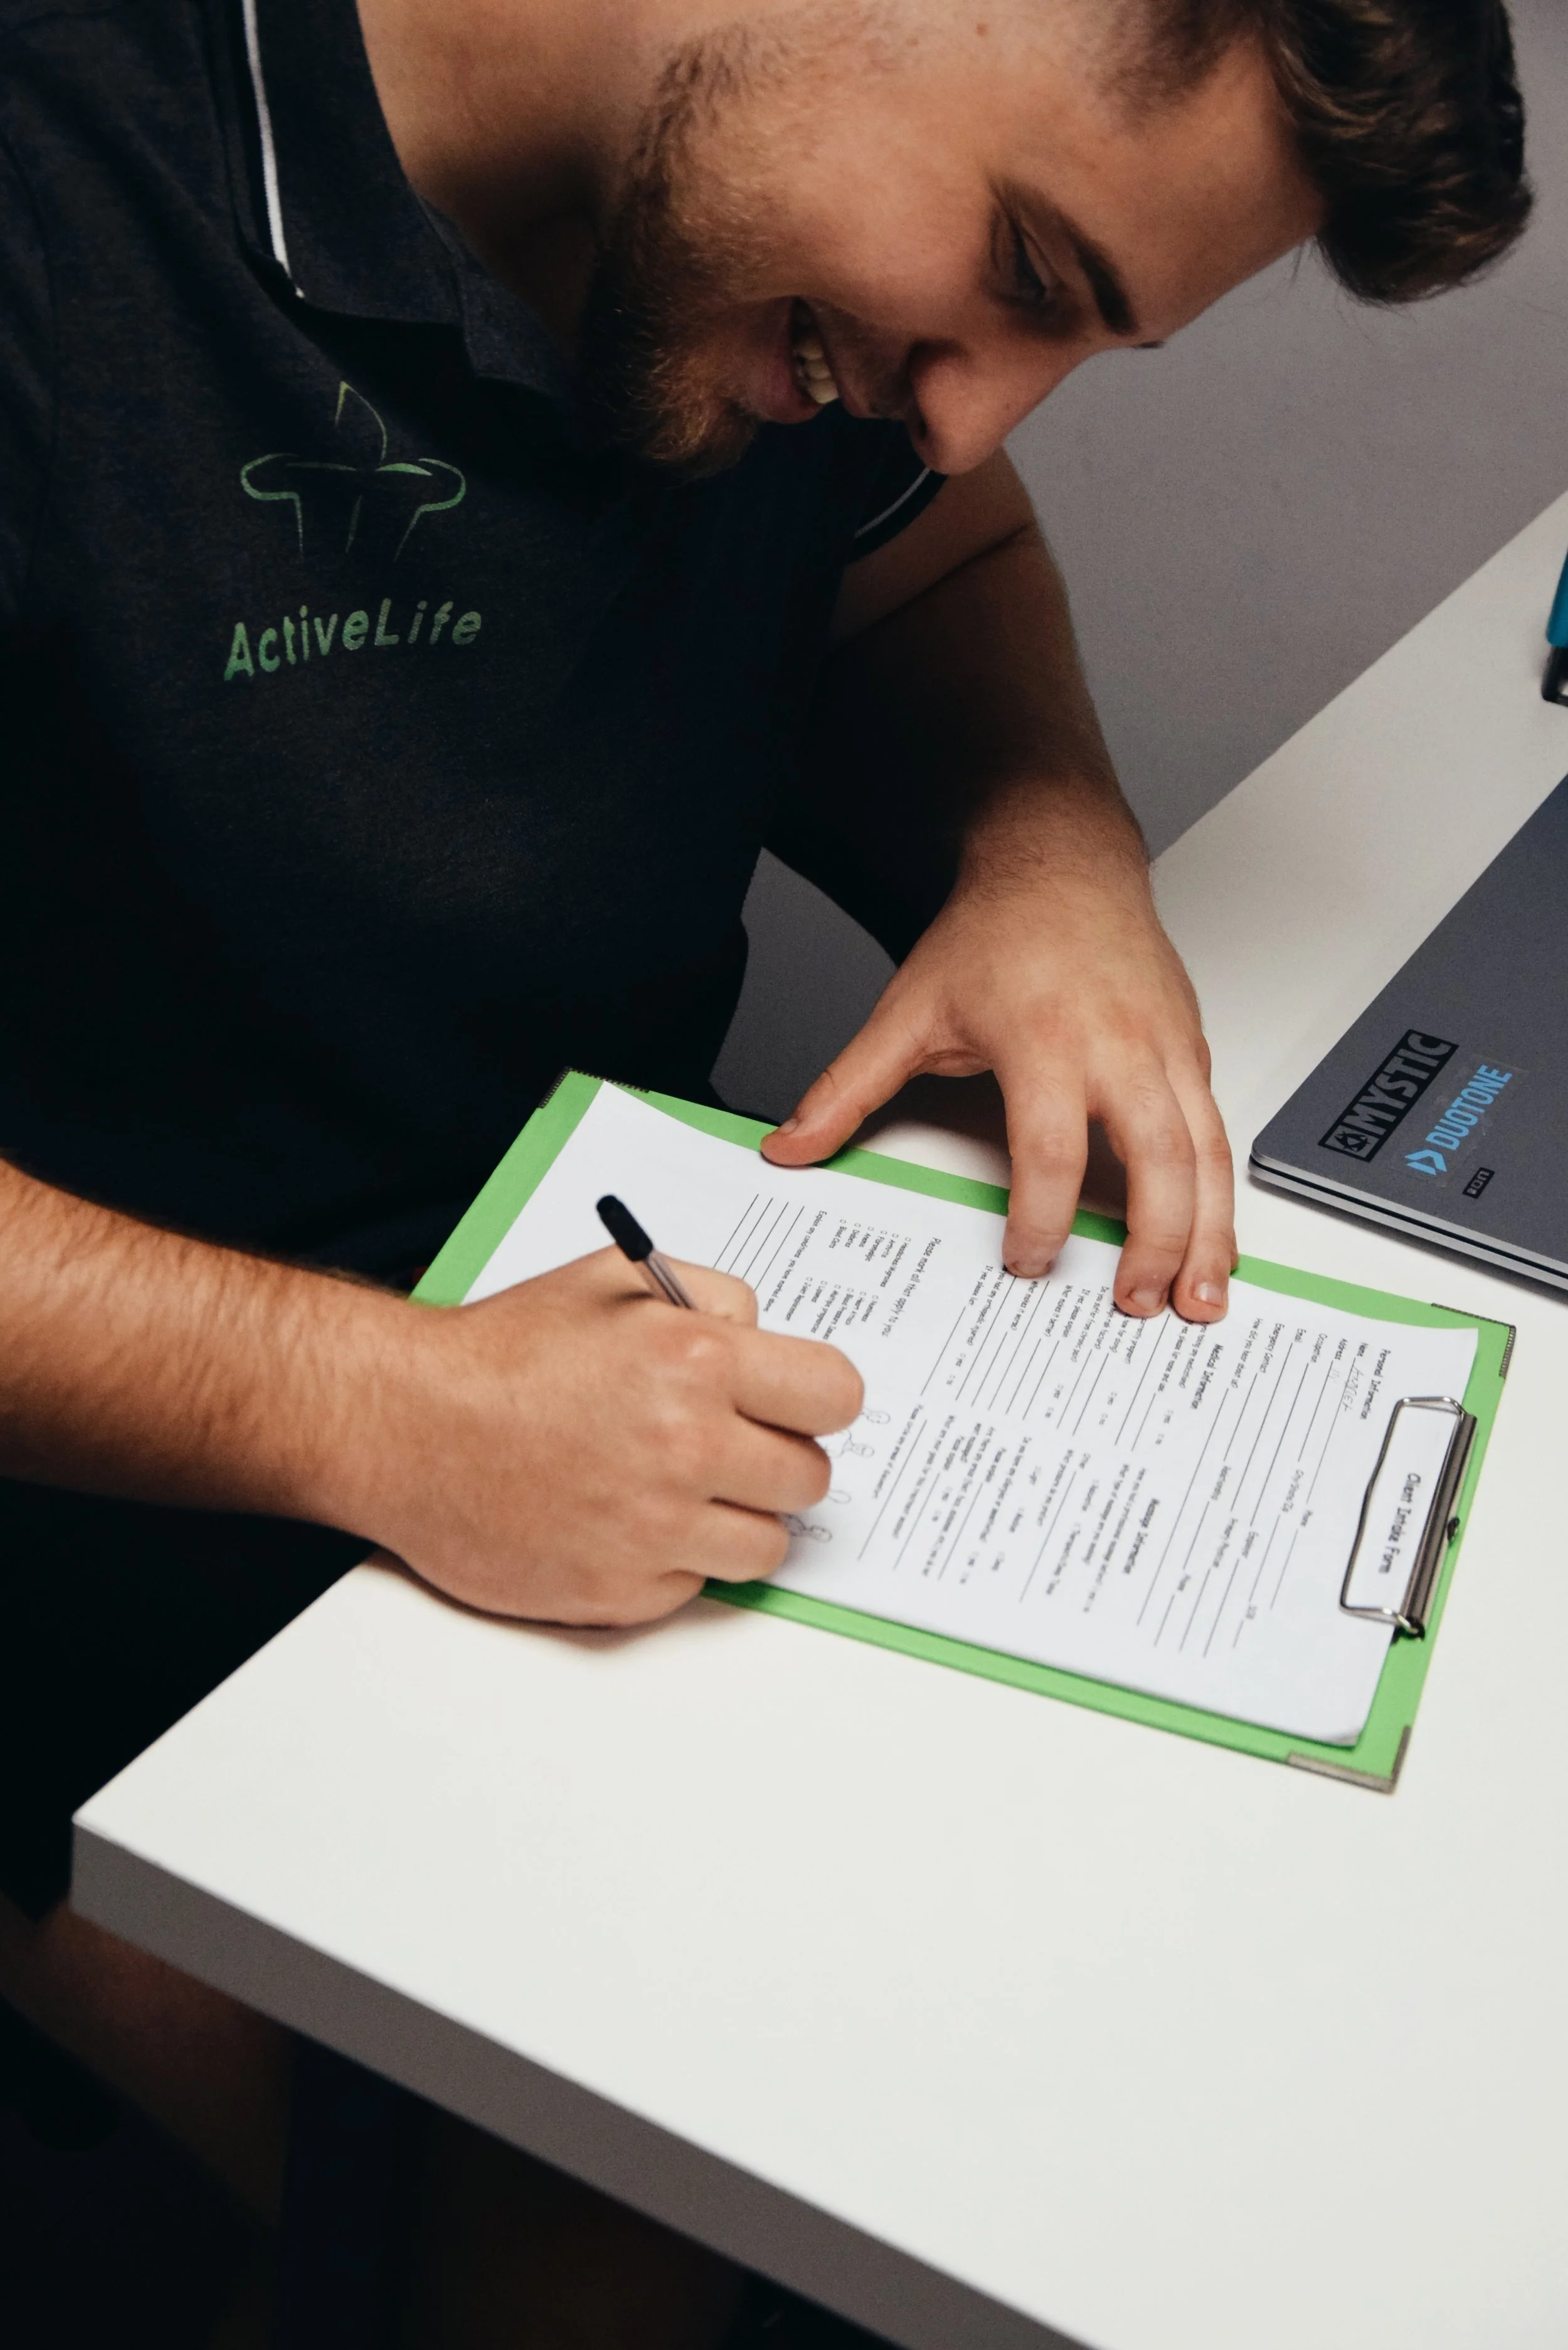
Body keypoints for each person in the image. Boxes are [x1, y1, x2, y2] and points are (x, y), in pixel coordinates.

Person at [0, 0, 1530, 2338]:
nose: (974, 403)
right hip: (103, 1526)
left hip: (596, 1392)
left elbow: (923, 558)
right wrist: (380, 1411)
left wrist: (1043, 843)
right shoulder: (58, 176)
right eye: (1023, 263)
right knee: (634, 2208)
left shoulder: (771, 299)